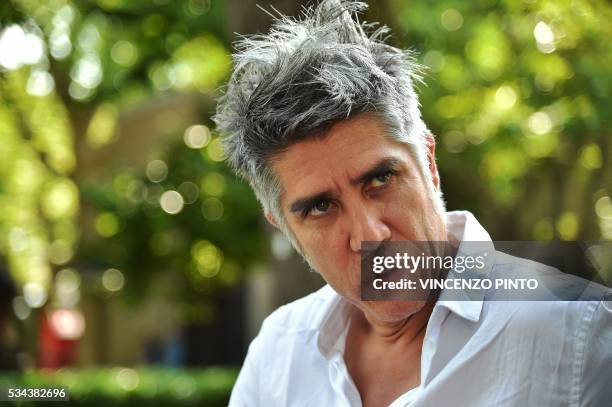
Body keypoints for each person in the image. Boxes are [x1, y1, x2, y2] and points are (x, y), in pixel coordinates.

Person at [214, 1, 612, 405]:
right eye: (320, 207)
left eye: (381, 179)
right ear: (283, 225)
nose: (370, 235)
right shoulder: (278, 355)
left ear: (430, 164)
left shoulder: (577, 333)